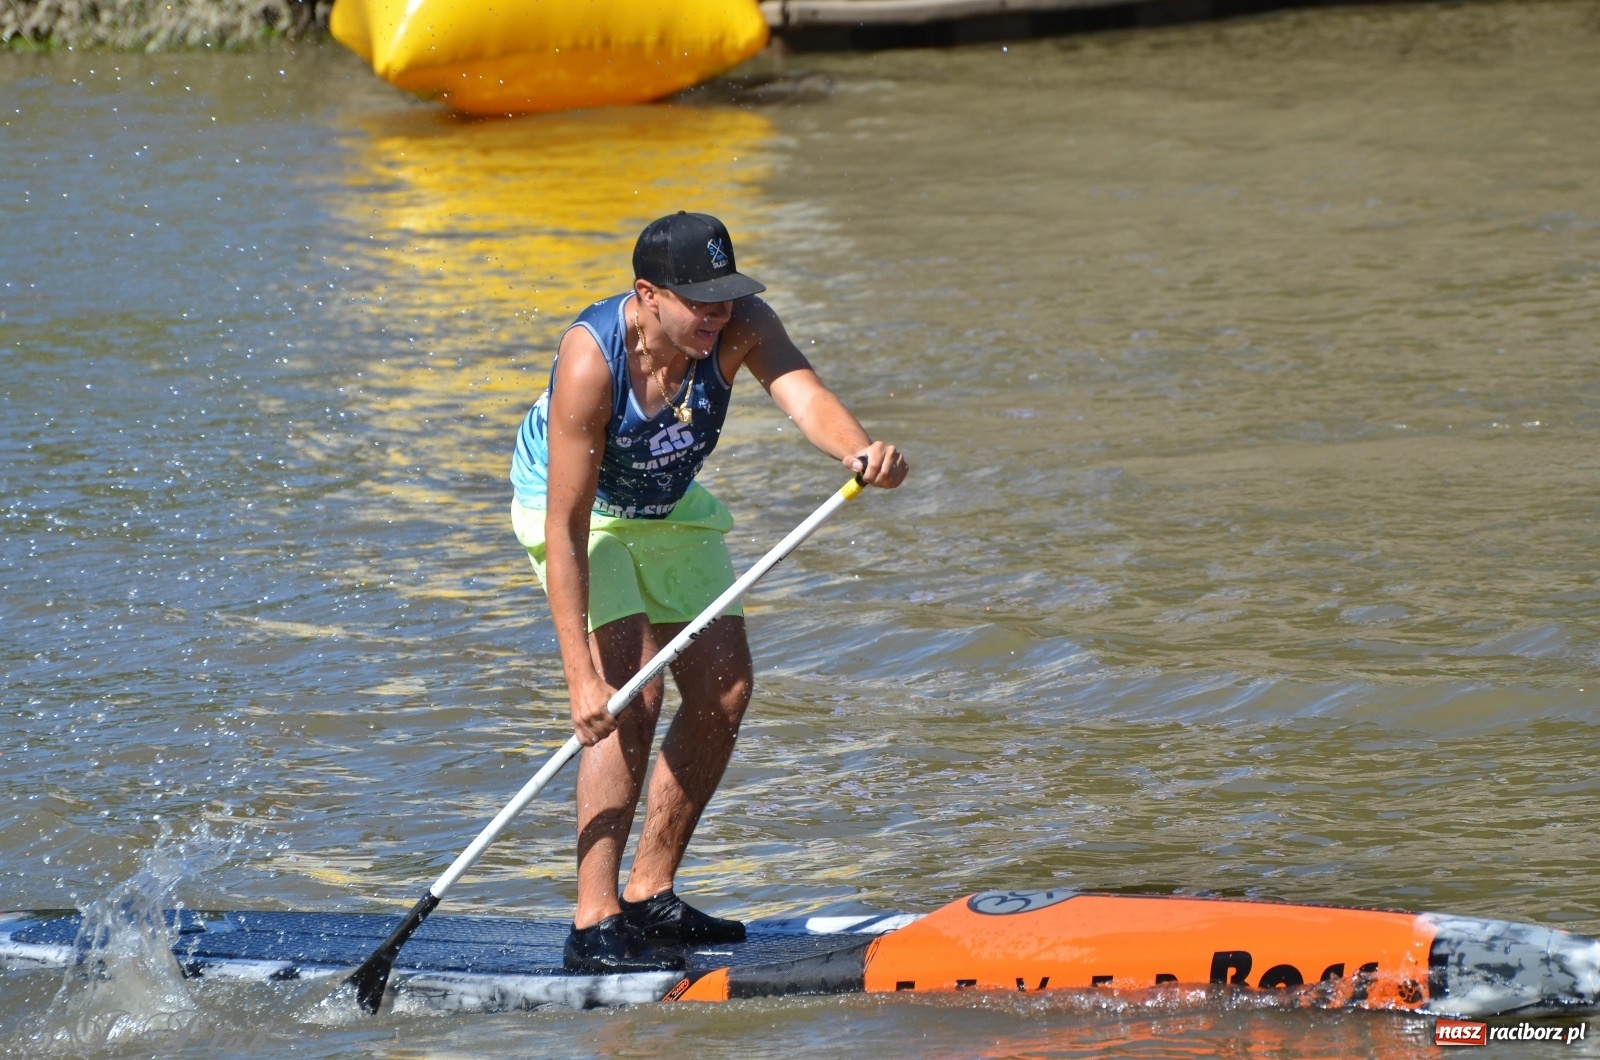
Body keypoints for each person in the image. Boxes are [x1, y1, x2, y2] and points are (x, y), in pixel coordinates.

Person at [509, 212, 908, 973]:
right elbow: (563, 530)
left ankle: (651, 894)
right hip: (577, 513)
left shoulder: (741, 326)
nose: (717, 316)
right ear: (648, 296)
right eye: (701, 302)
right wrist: (580, 681)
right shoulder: (592, 360)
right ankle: (593, 920)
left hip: (665, 505)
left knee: (725, 689)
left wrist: (861, 451)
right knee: (631, 692)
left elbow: (806, 398)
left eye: (727, 298)